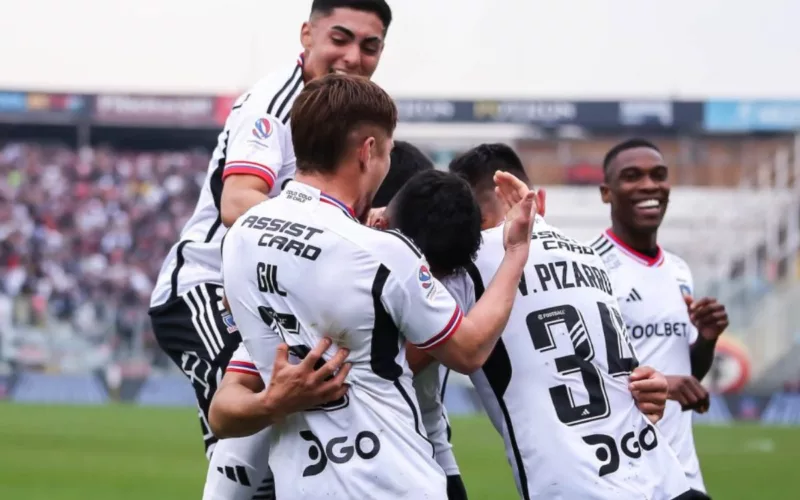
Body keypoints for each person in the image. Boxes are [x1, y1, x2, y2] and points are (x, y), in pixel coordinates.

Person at [219, 74, 536, 499]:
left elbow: (223, 413)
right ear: (369, 151)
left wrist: (272, 403)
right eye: (386, 151)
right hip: (392, 483)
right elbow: (469, 349)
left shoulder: (241, 237)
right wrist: (515, 250)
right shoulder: (382, 252)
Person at [148, 0, 393, 464]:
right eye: (339, 39)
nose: (353, 57)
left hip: (269, 294)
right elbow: (237, 203)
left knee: (299, 440)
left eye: (370, 46)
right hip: (207, 288)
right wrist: (341, 238)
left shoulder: (353, 120)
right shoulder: (275, 104)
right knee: (247, 439)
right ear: (307, 35)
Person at [202, 142, 472, 500]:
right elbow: (224, 413)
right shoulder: (323, 291)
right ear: (375, 221)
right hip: (331, 469)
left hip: (423, 457)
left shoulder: (438, 282)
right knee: (244, 446)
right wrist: (271, 402)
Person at [451, 143, 697, 500]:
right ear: (535, 198)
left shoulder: (470, 263)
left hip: (575, 485)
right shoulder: (592, 258)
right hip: (661, 476)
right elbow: (634, 380)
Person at [588, 138, 729, 499]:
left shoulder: (679, 269)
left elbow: (688, 372)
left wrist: (708, 338)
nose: (649, 185)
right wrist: (664, 384)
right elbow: (586, 379)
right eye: (633, 176)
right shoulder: (590, 267)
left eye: (659, 175)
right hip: (627, 473)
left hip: (683, 472)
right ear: (607, 192)